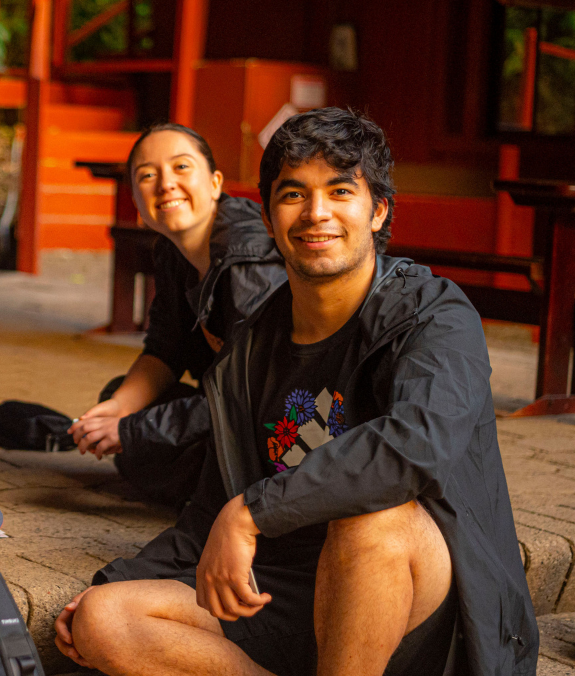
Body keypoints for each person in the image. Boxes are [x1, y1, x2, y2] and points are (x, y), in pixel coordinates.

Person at [54, 108, 536, 675]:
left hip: (419, 599)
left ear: (377, 210)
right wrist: (111, 582)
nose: (317, 213)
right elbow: (211, 507)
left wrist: (253, 512)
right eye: (293, 195)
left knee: (369, 521)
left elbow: (416, 446)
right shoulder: (251, 346)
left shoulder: (433, 314)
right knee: (106, 619)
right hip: (284, 590)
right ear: (269, 215)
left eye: (340, 191)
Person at [69, 124, 285, 506]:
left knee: (139, 435)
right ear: (136, 199)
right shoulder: (172, 252)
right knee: (121, 401)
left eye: (181, 167)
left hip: (276, 418)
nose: (165, 184)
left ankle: (232, 498)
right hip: (225, 410)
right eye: (148, 176)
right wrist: (120, 410)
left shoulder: (247, 259)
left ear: (215, 182)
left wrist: (135, 432)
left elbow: (252, 393)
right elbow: (165, 349)